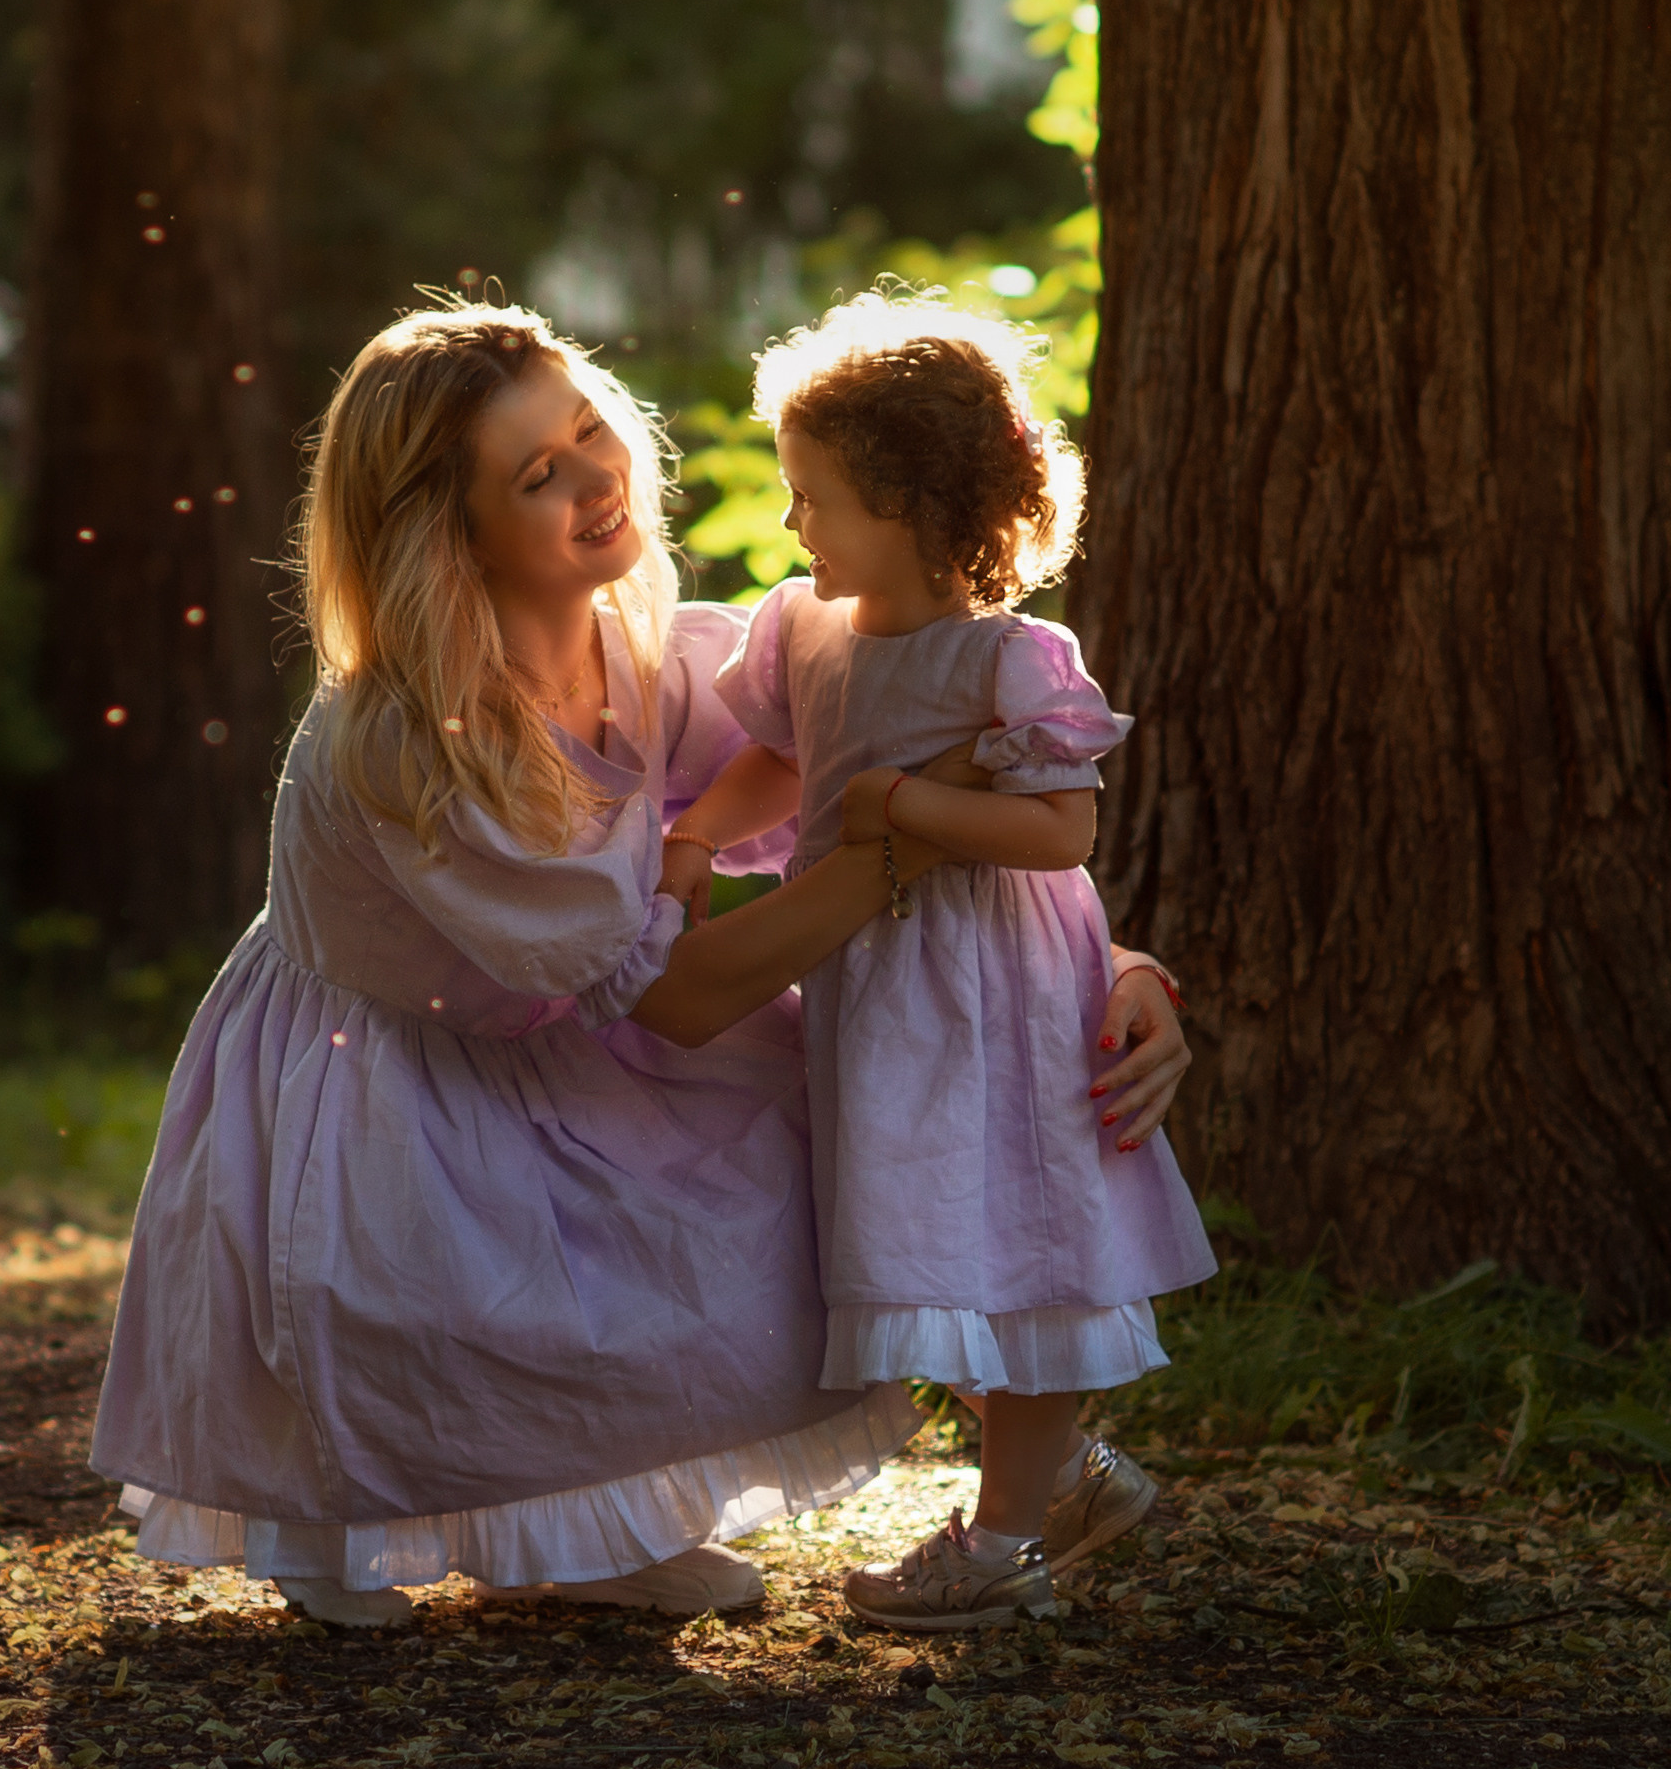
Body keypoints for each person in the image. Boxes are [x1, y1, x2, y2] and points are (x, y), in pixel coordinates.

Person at [89, 303, 1190, 1628]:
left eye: (588, 428)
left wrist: (1104, 964)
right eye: (535, 476)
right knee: (449, 1327)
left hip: (575, 1039)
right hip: (397, 1073)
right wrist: (892, 830)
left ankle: (612, 1511)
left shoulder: (645, 646)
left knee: (849, 1120)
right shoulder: (414, 743)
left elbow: (875, 777)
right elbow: (681, 993)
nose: (596, 474)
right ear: (450, 535)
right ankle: (420, 1514)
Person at [658, 290, 1217, 1633]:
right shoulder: (804, 628)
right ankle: (1065, 1476)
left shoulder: (1013, 660)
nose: (794, 525)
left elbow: (1058, 829)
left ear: (906, 501)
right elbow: (778, 756)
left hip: (993, 992)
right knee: (909, 1234)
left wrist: (908, 807)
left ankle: (1006, 1544)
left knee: (1007, 1235)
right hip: (868, 986)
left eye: (816, 497)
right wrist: (694, 840)